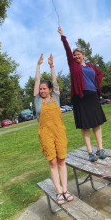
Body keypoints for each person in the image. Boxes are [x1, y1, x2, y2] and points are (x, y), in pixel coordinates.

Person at [58, 26, 106, 162]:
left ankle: (100, 149)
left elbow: (99, 73)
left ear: (83, 55)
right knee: (85, 125)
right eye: (75, 55)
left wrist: (97, 85)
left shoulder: (90, 66)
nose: (76, 56)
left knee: (97, 123)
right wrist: (63, 37)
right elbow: (67, 50)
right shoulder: (73, 66)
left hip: (92, 96)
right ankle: (90, 152)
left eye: (79, 54)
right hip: (80, 97)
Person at [34, 53, 74, 205]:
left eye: (44, 88)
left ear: (50, 89)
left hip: (59, 132)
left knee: (62, 161)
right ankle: (58, 191)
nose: (42, 90)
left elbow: (55, 80)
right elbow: (37, 80)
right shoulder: (38, 100)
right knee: (53, 162)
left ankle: (65, 189)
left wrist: (51, 65)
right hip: (46, 134)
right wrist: (38, 65)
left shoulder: (55, 97)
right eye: (41, 89)